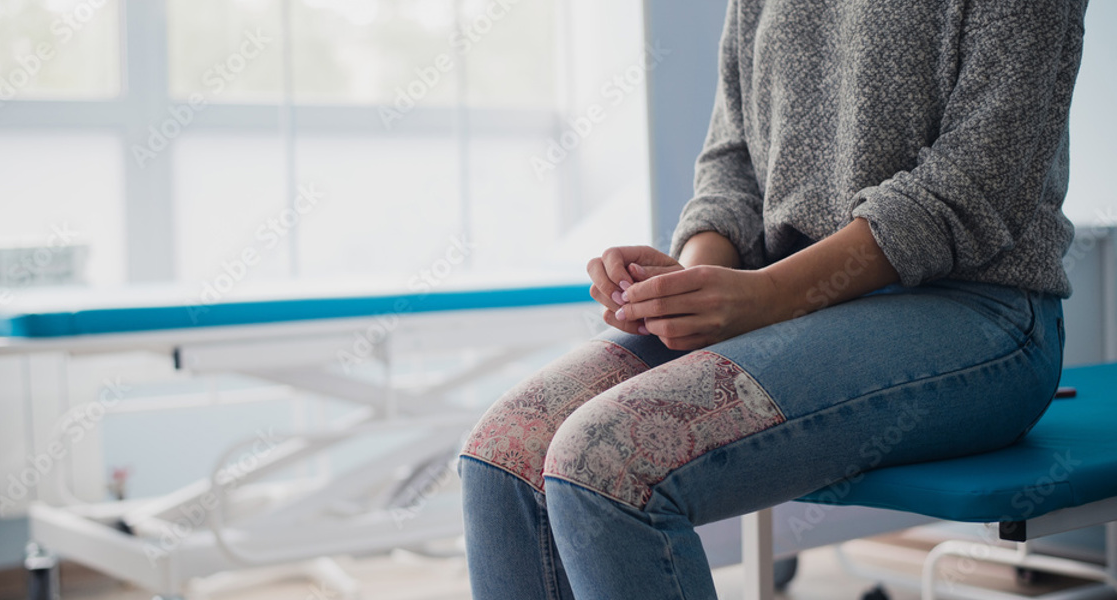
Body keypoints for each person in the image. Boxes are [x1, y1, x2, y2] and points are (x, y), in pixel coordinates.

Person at [458, 0, 1088, 597]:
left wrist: (763, 298)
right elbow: (733, 161)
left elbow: (972, 182)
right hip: (779, 305)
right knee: (502, 458)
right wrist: (694, 288)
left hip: (976, 314)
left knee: (606, 463)